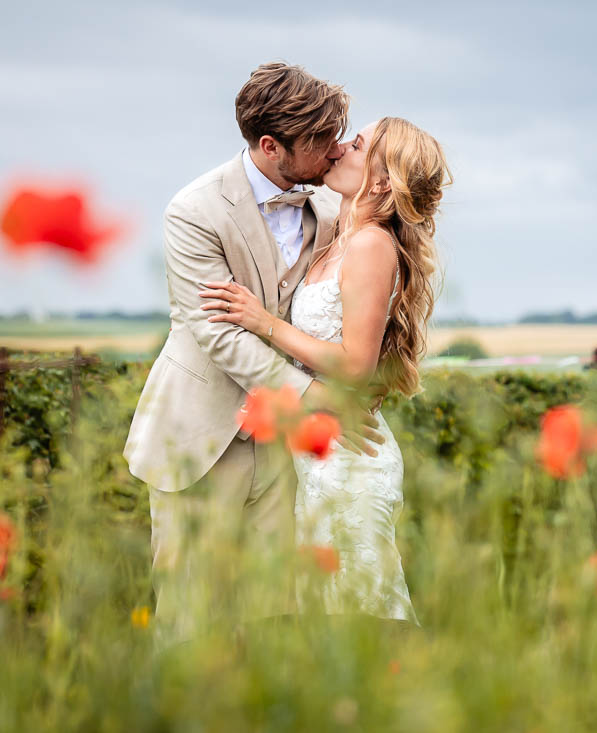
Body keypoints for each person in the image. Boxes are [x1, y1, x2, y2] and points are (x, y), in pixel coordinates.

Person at [124, 63, 378, 638]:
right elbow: (216, 334)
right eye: (320, 140)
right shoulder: (194, 211)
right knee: (188, 618)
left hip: (287, 451)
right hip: (200, 439)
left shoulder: (332, 209)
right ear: (271, 145)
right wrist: (316, 397)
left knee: (268, 618)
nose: (337, 148)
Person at [199, 117, 451, 622]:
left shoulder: (371, 244)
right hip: (321, 455)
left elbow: (356, 365)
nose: (339, 147)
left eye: (357, 144)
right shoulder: (339, 236)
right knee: (329, 614)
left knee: (364, 612)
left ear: (381, 180)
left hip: (352, 460)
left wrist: (264, 322)